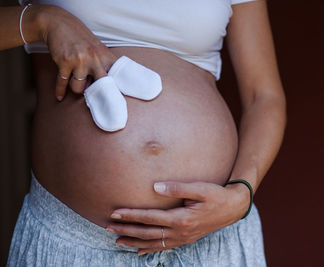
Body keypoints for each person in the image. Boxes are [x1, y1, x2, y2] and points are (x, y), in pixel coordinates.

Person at [2, 0, 286, 266]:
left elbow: (264, 97)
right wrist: (41, 21)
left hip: (214, 236)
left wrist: (240, 195)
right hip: (77, 241)